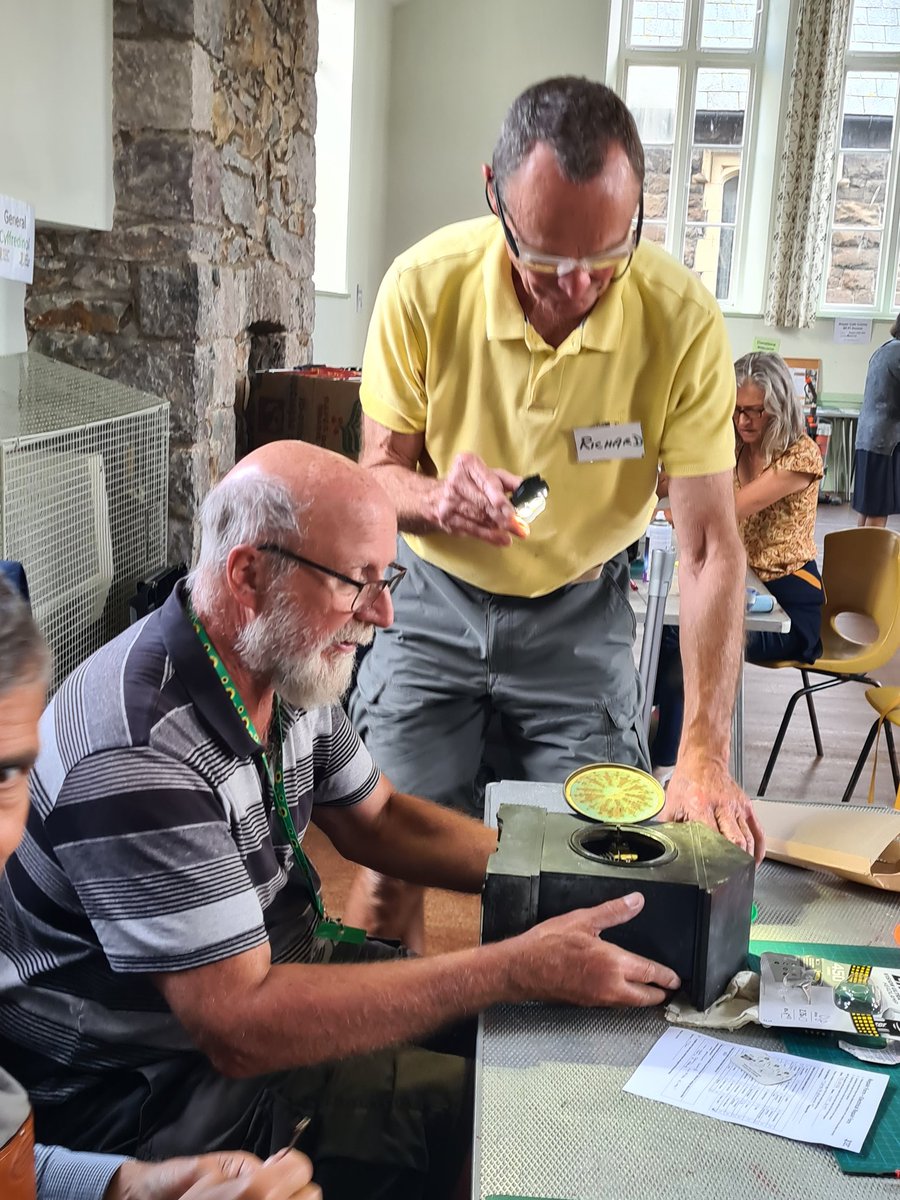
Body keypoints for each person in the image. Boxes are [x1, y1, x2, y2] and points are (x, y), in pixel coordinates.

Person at [0, 442, 679, 1200]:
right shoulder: (137, 751)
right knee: (524, 1115)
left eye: (387, 578)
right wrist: (512, 964)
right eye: (358, 583)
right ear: (249, 575)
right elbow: (240, 1025)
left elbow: (380, 819)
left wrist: (572, 861)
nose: (383, 614)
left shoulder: (279, 661)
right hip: (163, 1101)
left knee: (540, 1026)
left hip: (279, 981)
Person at [345, 74, 762, 948]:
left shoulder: (681, 318)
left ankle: (562, 1085)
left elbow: (710, 549)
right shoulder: (423, 286)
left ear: (640, 210)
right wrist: (432, 497)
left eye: (605, 258)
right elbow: (373, 476)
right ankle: (384, 1080)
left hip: (582, 616)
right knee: (389, 879)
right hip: (432, 601)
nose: (575, 288)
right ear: (493, 193)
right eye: (543, 259)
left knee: (606, 880)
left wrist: (704, 753)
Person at [0, 578, 320, 1200]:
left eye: (8, 772)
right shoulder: (132, 740)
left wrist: (126, 1187)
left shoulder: (299, 684)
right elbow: (236, 1018)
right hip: (133, 1095)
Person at [652, 353, 825, 773]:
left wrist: (674, 509)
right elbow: (667, 482)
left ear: (779, 408)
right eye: (735, 410)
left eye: (754, 411)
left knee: (681, 638)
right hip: (742, 588)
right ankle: (651, 730)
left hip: (790, 603)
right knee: (670, 630)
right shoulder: (729, 445)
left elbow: (730, 509)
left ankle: (663, 758)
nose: (743, 421)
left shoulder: (798, 457)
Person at [853, 313, 900, 528]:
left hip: (867, 438)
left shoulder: (885, 349)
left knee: (868, 508)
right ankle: (869, 561)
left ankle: (858, 558)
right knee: (878, 510)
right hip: (885, 442)